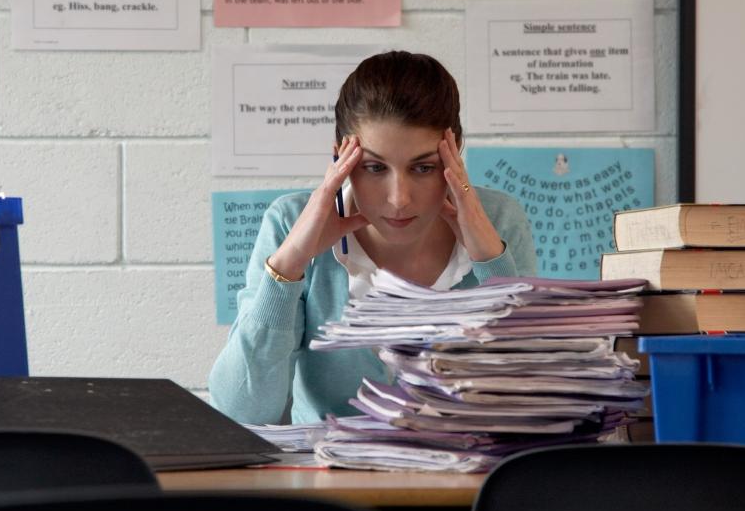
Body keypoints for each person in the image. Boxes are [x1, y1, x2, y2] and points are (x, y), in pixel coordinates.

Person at [208, 51, 536, 424]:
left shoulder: (498, 220)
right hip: (328, 477)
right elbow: (239, 413)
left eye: (424, 167)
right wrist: (290, 263)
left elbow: (536, 401)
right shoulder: (289, 222)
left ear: (454, 155)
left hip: (466, 477)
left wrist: (493, 265)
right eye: (375, 168)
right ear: (340, 158)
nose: (399, 199)